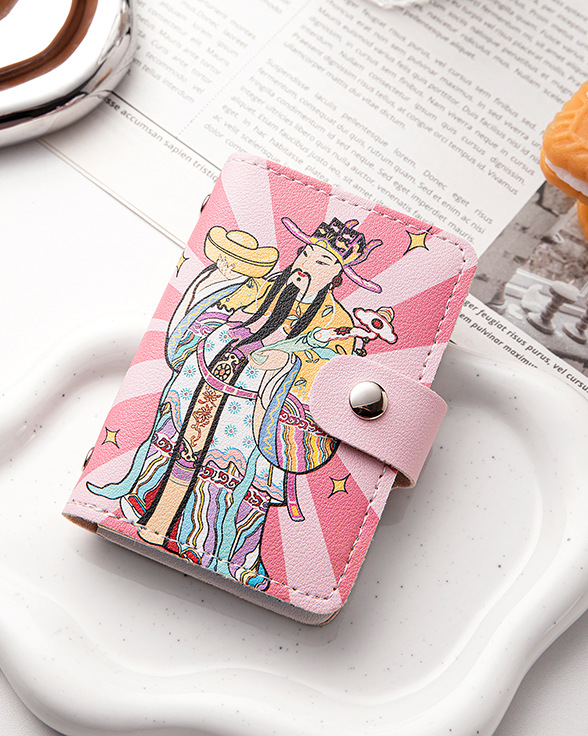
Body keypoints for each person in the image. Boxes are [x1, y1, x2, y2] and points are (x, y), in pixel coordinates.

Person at [87, 216, 383, 590]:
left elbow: (330, 371)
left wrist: (289, 360)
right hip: (204, 381)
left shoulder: (335, 319)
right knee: (180, 448)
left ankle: (213, 547)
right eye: (306, 253)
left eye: (321, 261)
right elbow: (219, 308)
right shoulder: (265, 286)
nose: (307, 263)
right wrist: (220, 286)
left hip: (257, 407)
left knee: (232, 474)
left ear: (339, 275)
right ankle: (152, 515)